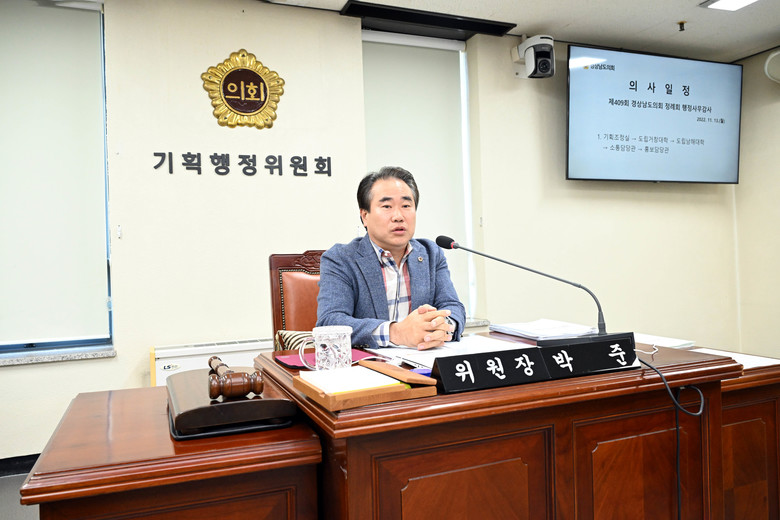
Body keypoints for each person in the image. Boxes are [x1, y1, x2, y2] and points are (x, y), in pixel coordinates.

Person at [316, 166, 466, 350]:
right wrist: (397, 333)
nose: (398, 216)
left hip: (424, 359)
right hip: (370, 364)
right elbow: (330, 322)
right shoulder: (341, 259)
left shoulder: (430, 253)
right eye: (387, 206)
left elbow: (453, 306)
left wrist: (441, 327)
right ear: (365, 216)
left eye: (406, 206)